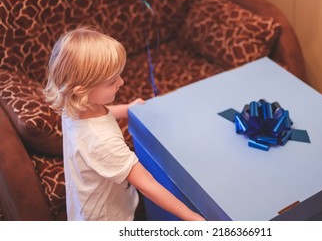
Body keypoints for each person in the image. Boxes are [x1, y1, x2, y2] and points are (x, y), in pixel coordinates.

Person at [43, 27, 204, 221]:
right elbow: (146, 184)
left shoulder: (74, 107)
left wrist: (127, 108)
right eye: (111, 82)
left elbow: (104, 112)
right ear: (81, 91)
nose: (121, 82)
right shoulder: (102, 142)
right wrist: (191, 216)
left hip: (85, 202)